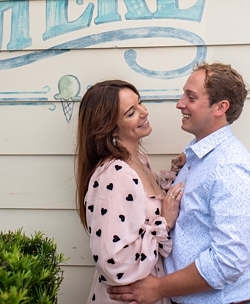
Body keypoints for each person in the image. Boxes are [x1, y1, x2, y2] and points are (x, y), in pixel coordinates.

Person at [110, 63, 250, 304]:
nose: (180, 103)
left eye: (191, 97)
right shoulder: (201, 156)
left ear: (220, 107)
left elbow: (228, 262)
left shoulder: (230, 170)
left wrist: (158, 288)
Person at [74, 79, 185, 304]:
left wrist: (180, 170)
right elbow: (114, 261)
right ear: (109, 127)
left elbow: (142, 207)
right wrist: (164, 222)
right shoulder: (115, 175)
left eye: (140, 103)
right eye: (131, 112)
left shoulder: (139, 160)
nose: (144, 112)